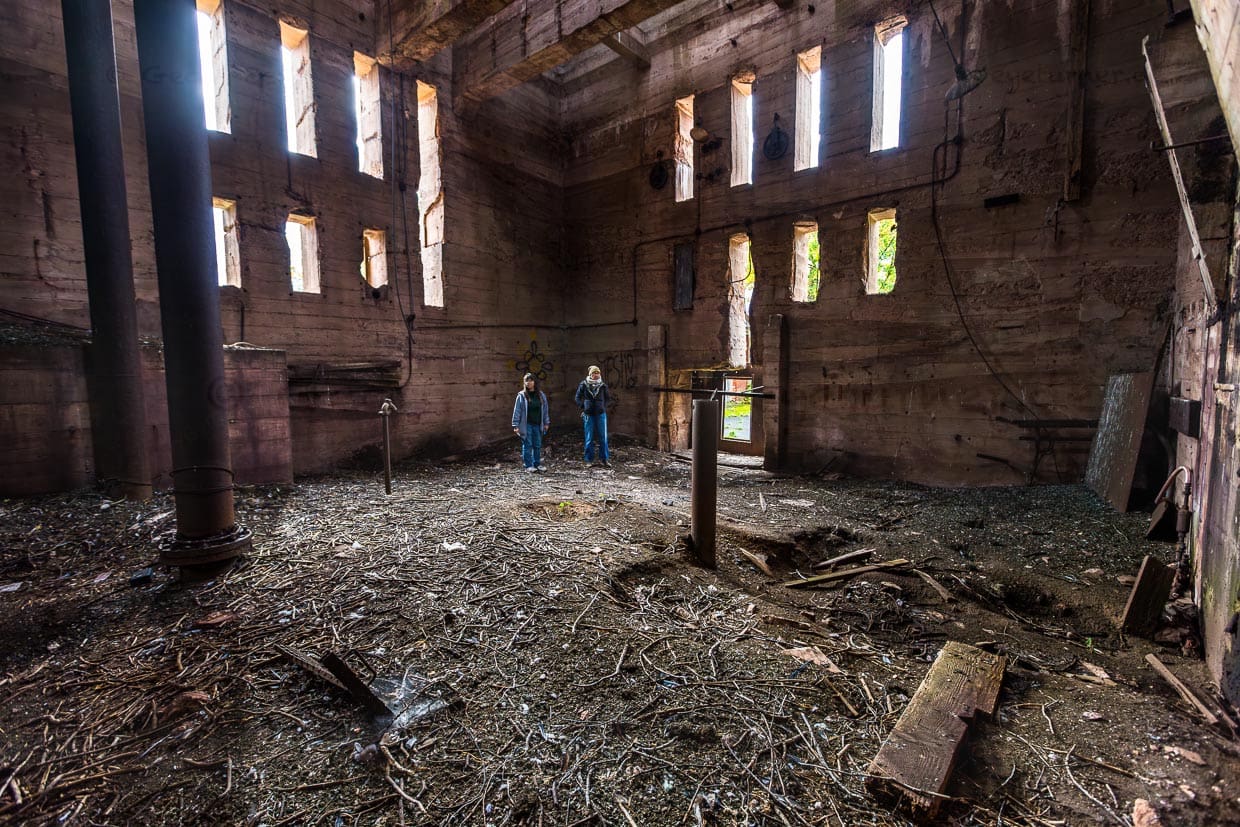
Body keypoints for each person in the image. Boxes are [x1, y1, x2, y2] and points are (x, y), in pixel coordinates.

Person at [574, 365, 613, 467]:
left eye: (597, 373)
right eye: (594, 373)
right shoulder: (584, 384)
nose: (596, 375)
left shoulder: (603, 385)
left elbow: (608, 398)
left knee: (603, 437)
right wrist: (584, 406)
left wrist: (603, 407)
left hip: (601, 414)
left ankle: (604, 459)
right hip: (588, 415)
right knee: (589, 437)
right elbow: (577, 397)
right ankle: (589, 460)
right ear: (590, 374)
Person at [511, 373, 550, 472]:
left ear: (535, 382)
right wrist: (515, 425)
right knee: (527, 444)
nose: (529, 383)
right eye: (526, 381)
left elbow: (545, 410)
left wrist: (546, 422)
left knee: (537, 444)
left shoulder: (541, 395)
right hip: (526, 424)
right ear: (524, 383)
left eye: (531, 380)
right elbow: (517, 411)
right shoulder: (522, 395)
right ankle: (528, 465)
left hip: (537, 424)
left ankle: (537, 464)